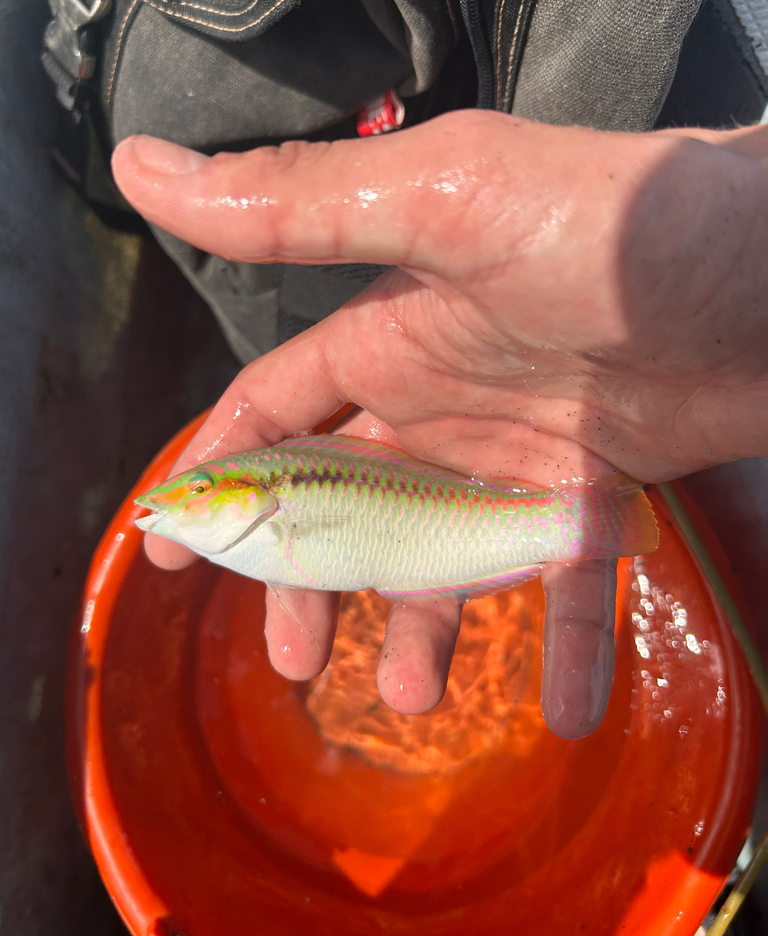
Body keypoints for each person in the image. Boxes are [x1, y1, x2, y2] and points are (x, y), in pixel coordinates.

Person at [112, 109, 768, 739]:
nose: (172, 501)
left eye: (198, 491)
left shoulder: (273, 502)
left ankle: (587, 521)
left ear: (246, 496)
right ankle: (587, 520)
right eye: (195, 492)